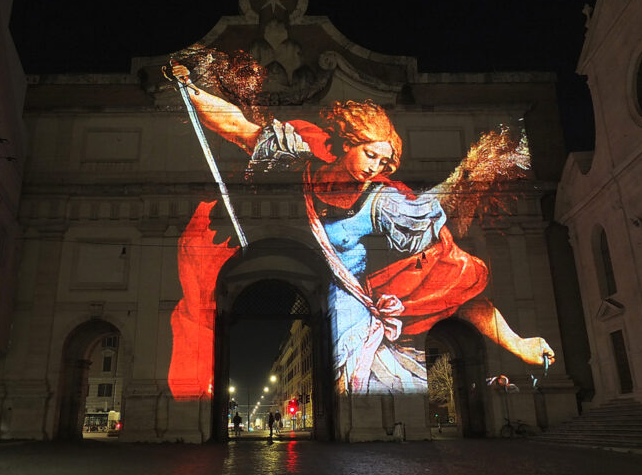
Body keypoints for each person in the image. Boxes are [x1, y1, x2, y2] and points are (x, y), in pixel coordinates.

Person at [170, 63, 555, 395]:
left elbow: (438, 214)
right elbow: (237, 126)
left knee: (360, 362)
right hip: (306, 269)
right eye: (370, 154)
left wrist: (468, 174)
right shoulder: (301, 149)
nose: (376, 167)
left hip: (351, 290)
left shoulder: (383, 201)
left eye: (384, 162)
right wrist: (188, 89)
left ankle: (507, 353)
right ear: (346, 141)